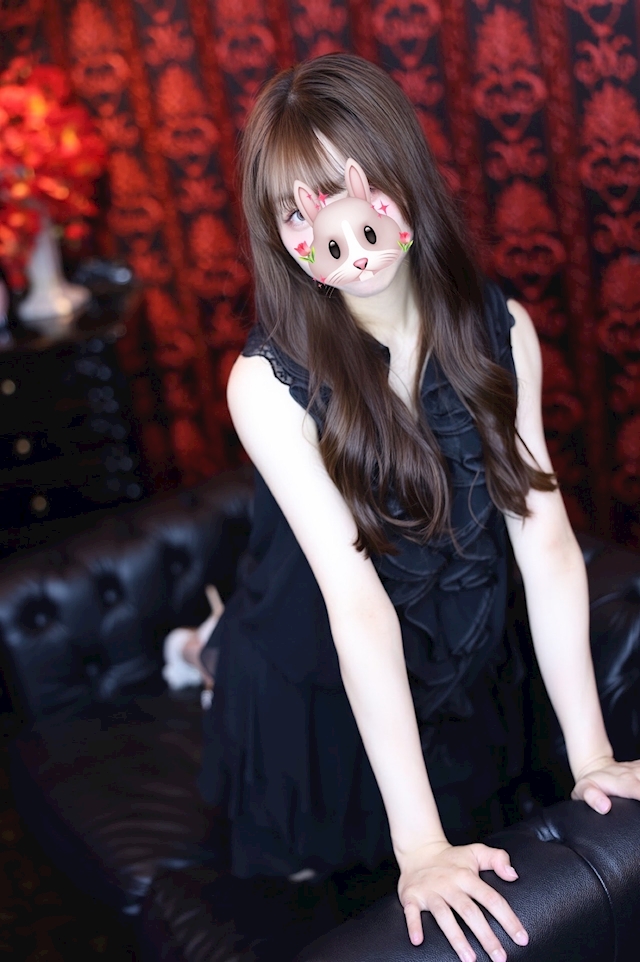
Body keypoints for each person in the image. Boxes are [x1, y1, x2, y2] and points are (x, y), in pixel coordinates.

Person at [181, 54, 640, 962]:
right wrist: (420, 847)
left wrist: (591, 754)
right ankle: (204, 651)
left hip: (459, 654)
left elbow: (544, 536)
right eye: (293, 212)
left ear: (397, 182)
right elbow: (355, 605)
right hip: (320, 664)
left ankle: (204, 638)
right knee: (312, 858)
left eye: (343, 190)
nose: (329, 228)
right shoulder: (263, 385)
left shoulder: (501, 328)